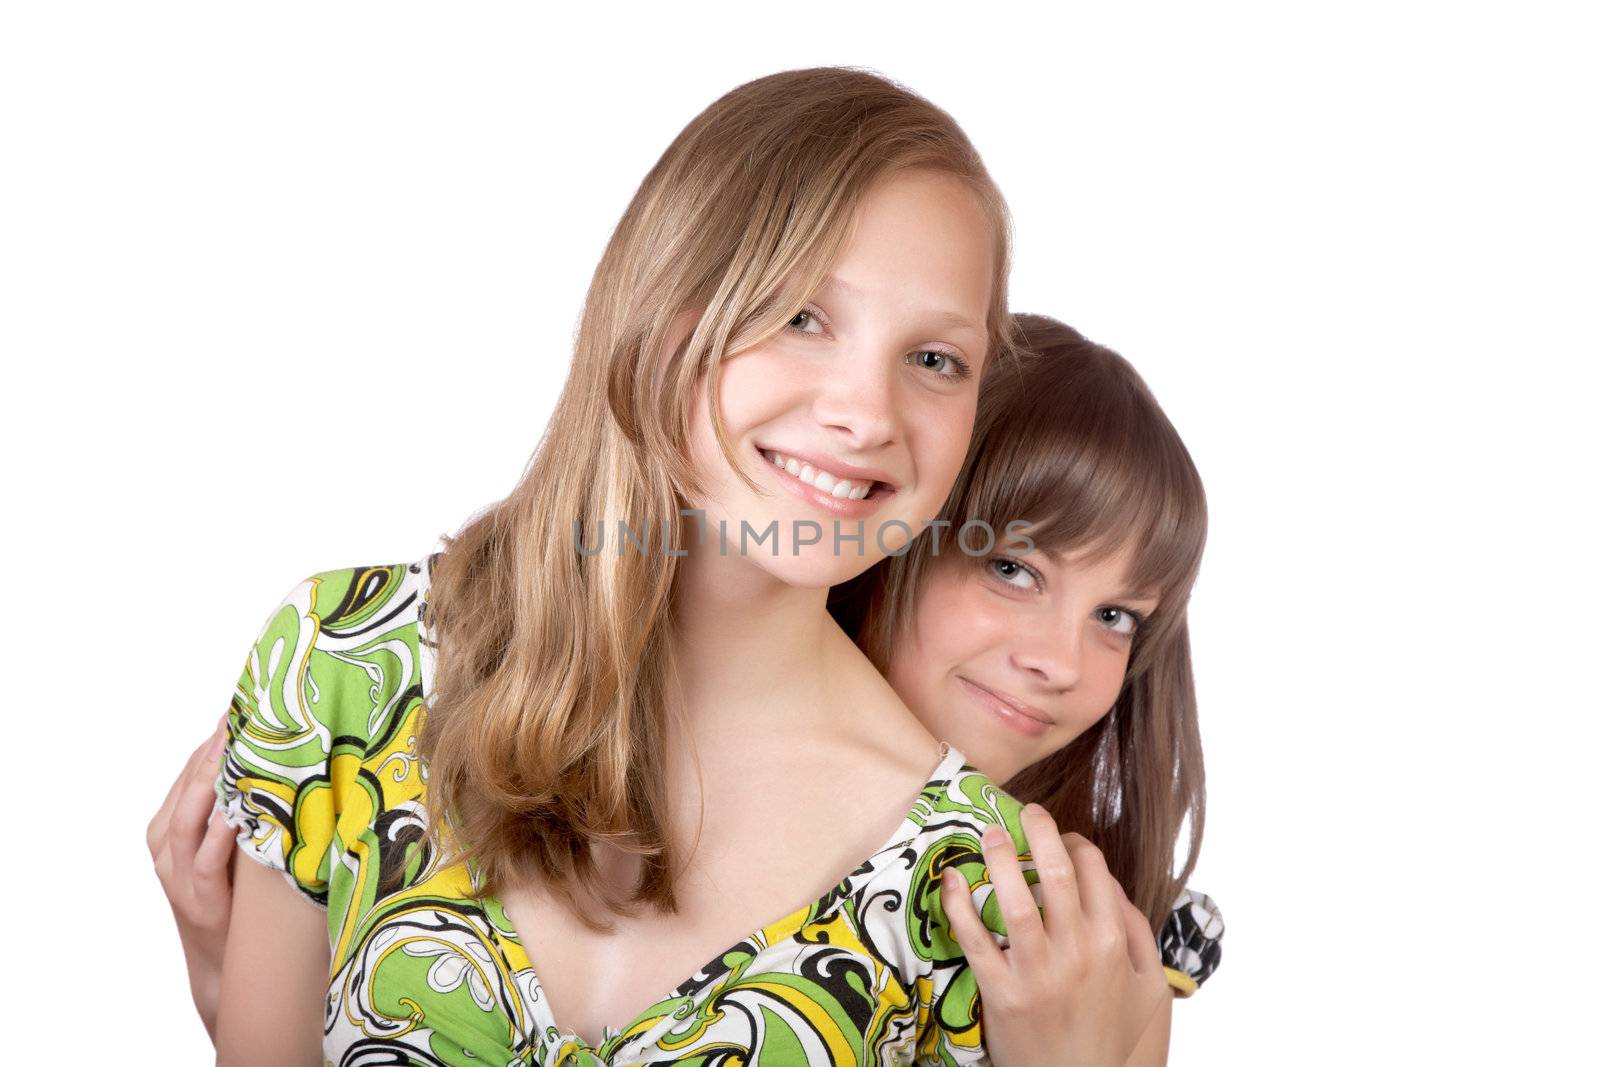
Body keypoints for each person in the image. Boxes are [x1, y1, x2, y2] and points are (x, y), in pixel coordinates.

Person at [174, 66, 1179, 1066]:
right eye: (799, 314)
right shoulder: (350, 658)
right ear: (658, 308)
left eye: (933, 360)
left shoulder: (978, 894)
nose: (868, 414)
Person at [829, 313, 1224, 1064]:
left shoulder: (1103, 945)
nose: (1062, 663)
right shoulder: (638, 766)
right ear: (897, 528)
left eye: (1114, 616)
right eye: (1014, 568)